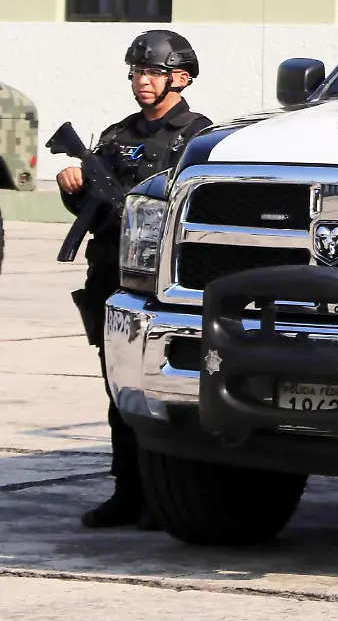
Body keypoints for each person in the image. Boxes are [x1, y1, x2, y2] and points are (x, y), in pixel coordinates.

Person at [57, 30, 213, 528]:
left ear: (181, 77)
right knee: (118, 390)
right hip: (111, 273)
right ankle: (128, 493)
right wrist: (74, 188)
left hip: (163, 281)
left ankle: (166, 495)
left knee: (171, 395)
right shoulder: (116, 136)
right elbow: (93, 212)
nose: (143, 81)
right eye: (137, 73)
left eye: (154, 72)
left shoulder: (199, 137)